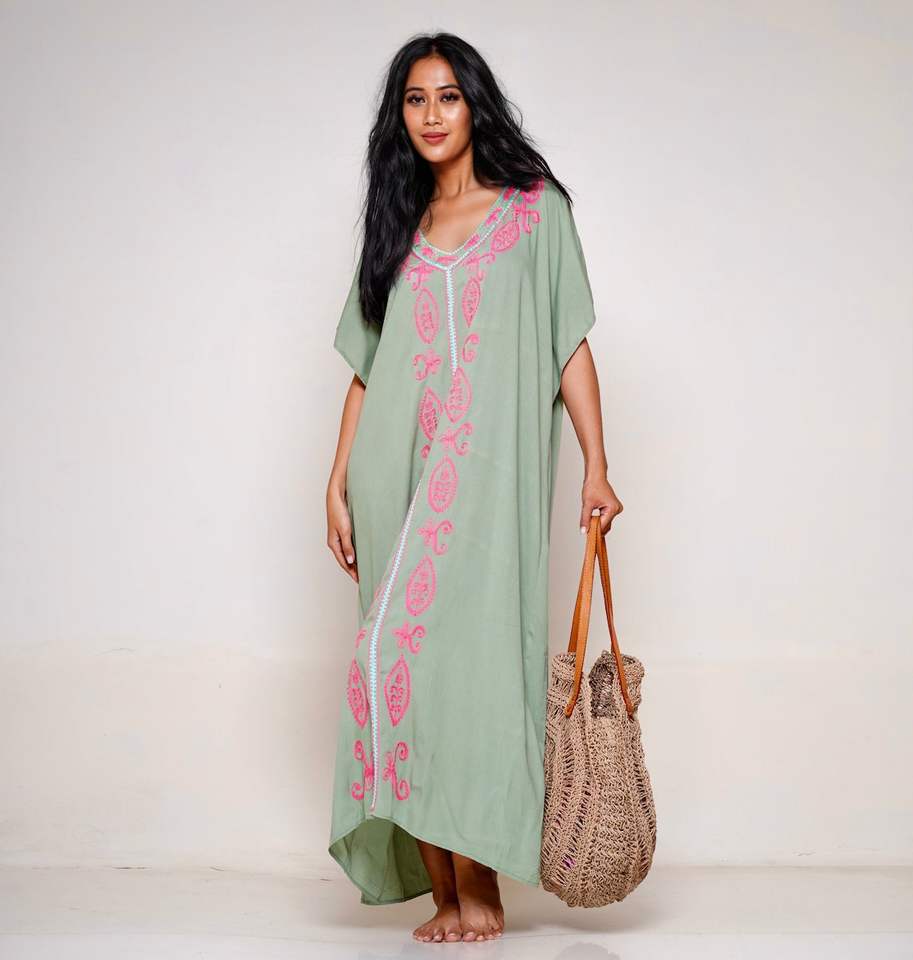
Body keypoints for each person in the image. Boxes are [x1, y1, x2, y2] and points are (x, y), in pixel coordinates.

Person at [325, 32, 622, 944]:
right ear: (399, 116)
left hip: (487, 486)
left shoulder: (534, 212)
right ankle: (442, 890)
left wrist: (597, 464)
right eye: (415, 99)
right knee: (396, 669)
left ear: (474, 104)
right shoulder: (399, 227)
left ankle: (480, 877)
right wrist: (336, 482)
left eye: (447, 96)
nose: (431, 115)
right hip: (393, 478)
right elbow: (368, 369)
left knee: (474, 673)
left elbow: (567, 340)